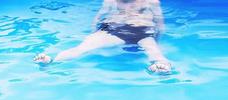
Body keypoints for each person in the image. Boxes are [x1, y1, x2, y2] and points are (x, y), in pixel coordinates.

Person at [34, 0, 171, 73]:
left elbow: (160, 25)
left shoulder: (151, 2)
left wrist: (156, 41)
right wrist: (94, 36)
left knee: (155, 52)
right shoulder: (110, 1)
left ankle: (160, 67)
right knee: (82, 48)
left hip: (142, 32)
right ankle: (51, 62)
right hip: (114, 30)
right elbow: (98, 19)